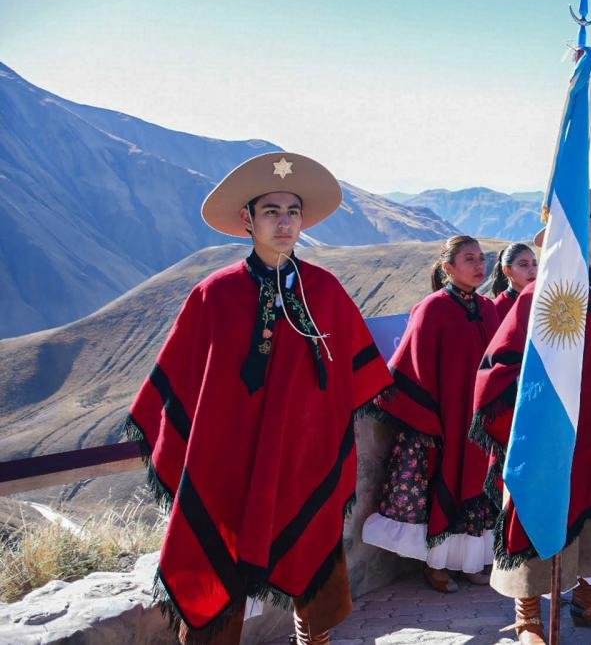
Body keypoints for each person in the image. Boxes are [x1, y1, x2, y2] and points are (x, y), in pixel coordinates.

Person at [126, 152, 392, 643]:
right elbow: (182, 383)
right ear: (247, 219)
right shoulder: (214, 295)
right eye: (272, 211)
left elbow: (354, 377)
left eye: (293, 211)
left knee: (314, 567)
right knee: (218, 573)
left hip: (304, 461)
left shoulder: (326, 292)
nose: (285, 222)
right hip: (225, 467)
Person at [471, 177, 591, 643]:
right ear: (573, 230)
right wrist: (528, 424)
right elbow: (502, 363)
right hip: (557, 436)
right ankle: (529, 617)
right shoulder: (543, 292)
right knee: (543, 510)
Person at [360, 235, 499, 593]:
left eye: (482, 258)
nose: (478, 265)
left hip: (477, 422)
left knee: (477, 489)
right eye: (469, 258)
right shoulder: (433, 308)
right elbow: (411, 365)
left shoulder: (489, 309)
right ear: (448, 267)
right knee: (438, 488)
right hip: (441, 421)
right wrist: (427, 420)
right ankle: (435, 567)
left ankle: (468, 562)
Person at [490, 242, 538, 321]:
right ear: (507, 270)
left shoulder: (543, 301)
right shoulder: (497, 308)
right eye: (524, 264)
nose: (532, 271)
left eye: (534, 264)